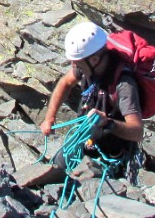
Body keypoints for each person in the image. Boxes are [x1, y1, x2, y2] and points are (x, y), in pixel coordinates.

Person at [39, 19, 143, 166]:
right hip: (83, 140)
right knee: (54, 167)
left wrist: (108, 123)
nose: (73, 65)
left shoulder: (123, 84)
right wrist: (50, 118)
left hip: (111, 156)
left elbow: (137, 131)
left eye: (77, 62)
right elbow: (65, 83)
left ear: (94, 59)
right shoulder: (86, 67)